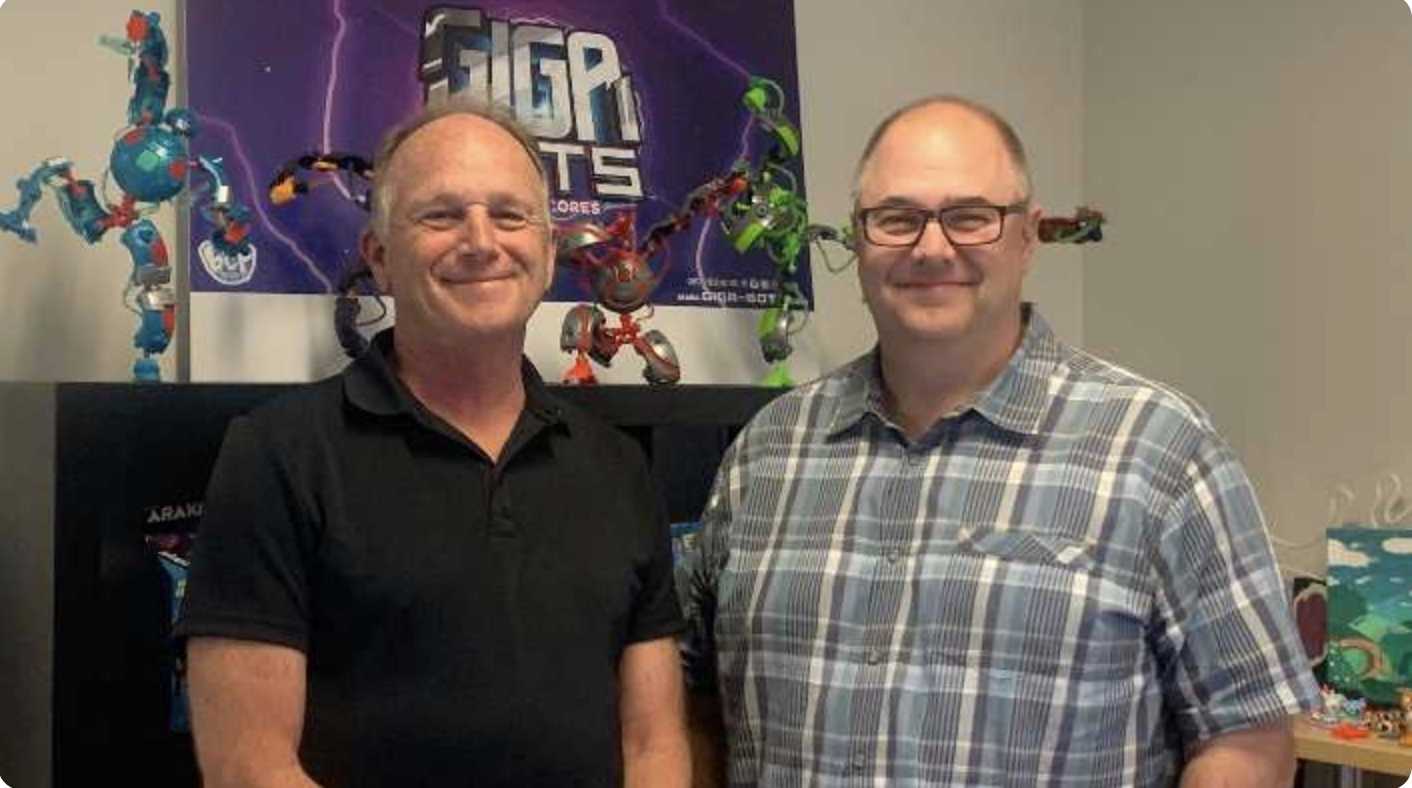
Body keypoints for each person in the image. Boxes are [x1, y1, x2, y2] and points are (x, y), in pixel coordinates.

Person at [680, 96, 1318, 787]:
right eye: (896, 218)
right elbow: (692, 706)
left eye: (970, 217)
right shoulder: (766, 455)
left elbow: (1247, 739)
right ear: (859, 241)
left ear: (1028, 237)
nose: (931, 248)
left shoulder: (1161, 452)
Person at [176, 99, 690, 787]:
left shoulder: (619, 468)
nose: (481, 241)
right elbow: (249, 767)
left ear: (547, 254)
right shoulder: (277, 456)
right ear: (380, 258)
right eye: (441, 216)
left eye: (509, 215)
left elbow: (654, 746)